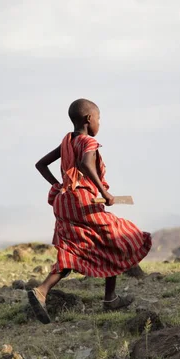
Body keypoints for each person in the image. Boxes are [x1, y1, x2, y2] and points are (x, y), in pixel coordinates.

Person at [28, 98, 152, 324]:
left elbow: (41, 164)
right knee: (120, 237)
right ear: (89, 119)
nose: (99, 123)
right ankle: (109, 298)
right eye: (99, 119)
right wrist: (104, 193)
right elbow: (85, 164)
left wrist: (59, 185)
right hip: (83, 202)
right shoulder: (88, 143)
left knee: (73, 250)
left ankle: (42, 291)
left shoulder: (67, 141)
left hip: (64, 202)